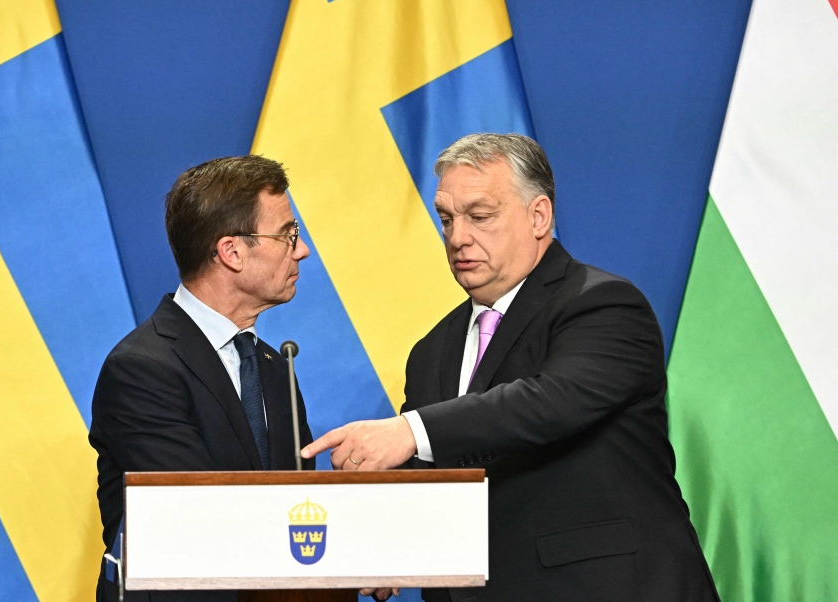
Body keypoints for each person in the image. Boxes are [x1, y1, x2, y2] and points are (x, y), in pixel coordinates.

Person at [302, 134, 719, 602]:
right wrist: (390, 548)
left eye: (480, 216)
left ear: (538, 216)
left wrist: (406, 431)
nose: (458, 237)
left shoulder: (603, 305)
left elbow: (549, 402)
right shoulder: (432, 350)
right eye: (447, 218)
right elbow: (435, 482)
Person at [90, 155, 316, 602]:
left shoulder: (274, 366)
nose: (302, 248)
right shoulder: (141, 369)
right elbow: (198, 518)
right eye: (288, 234)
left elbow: (298, 508)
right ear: (231, 252)